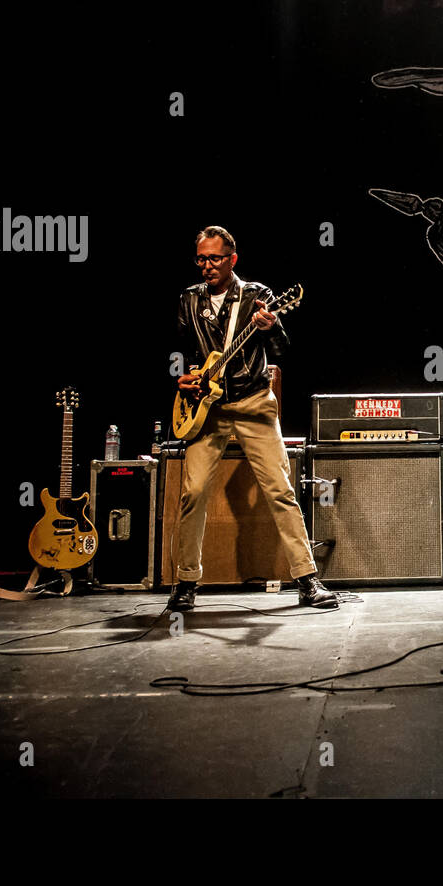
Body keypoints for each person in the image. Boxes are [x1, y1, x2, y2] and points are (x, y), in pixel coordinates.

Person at [170, 225, 338, 611]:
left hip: (253, 402)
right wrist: (182, 379)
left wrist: (271, 325)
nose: (207, 266)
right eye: (201, 258)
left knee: (280, 488)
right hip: (206, 409)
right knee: (193, 493)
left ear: (233, 259)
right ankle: (186, 582)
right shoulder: (189, 300)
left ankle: (307, 580)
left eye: (215, 258)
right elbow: (178, 350)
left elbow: (282, 349)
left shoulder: (258, 296)